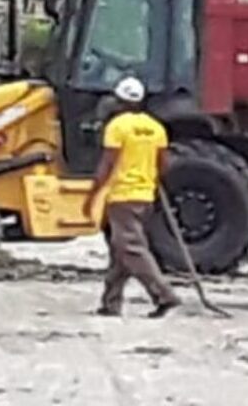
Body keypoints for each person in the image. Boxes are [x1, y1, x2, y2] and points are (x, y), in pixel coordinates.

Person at [84, 76, 181, 318]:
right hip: (145, 197)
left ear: (120, 100)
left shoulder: (117, 127)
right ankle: (111, 303)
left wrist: (92, 195)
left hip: (122, 197)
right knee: (121, 251)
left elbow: (107, 164)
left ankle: (164, 294)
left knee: (132, 248)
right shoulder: (155, 128)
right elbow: (164, 164)